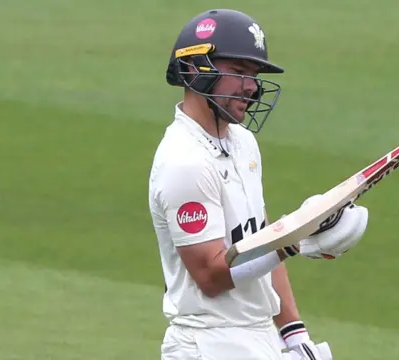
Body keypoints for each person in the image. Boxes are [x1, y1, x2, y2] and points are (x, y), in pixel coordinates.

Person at [147, 8, 370, 360]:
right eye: (238, 73)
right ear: (195, 69)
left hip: (258, 334)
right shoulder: (183, 162)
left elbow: (259, 236)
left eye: (253, 76)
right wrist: (295, 239)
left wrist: (294, 334)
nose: (251, 87)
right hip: (208, 343)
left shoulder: (242, 142)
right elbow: (210, 275)